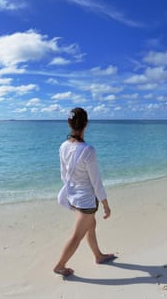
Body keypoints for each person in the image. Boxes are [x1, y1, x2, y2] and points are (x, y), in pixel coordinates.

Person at [53, 107, 116, 277]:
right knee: (77, 236)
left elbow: (63, 174)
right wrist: (106, 204)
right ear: (86, 124)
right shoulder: (88, 150)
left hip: (73, 196)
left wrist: (73, 189)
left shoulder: (63, 146)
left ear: (69, 124)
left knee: (91, 225)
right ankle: (60, 265)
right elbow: (96, 182)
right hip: (86, 201)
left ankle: (98, 256)